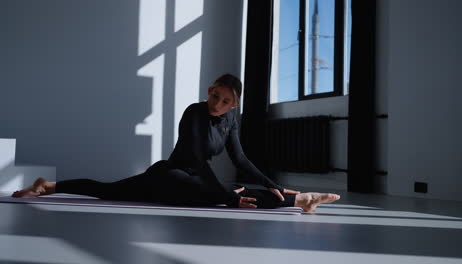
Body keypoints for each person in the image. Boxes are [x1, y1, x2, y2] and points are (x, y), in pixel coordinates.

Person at [12, 74, 340, 212]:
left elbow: (240, 160)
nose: (217, 104)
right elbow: (196, 160)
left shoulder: (229, 121)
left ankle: (298, 198)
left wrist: (270, 183)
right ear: (209, 89)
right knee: (109, 190)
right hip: (170, 175)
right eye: (215, 95)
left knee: (111, 190)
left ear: (234, 105)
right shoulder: (195, 113)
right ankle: (46, 187)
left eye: (225, 101)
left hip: (188, 181)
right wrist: (226, 194)